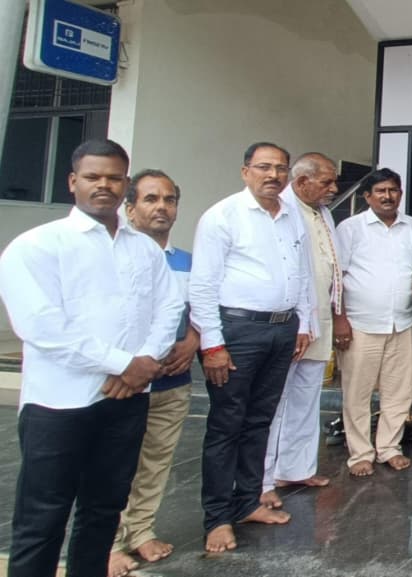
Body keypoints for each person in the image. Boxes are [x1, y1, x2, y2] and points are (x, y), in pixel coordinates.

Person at [0, 140, 182, 577]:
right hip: (59, 405)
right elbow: (42, 326)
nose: (104, 185)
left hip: (125, 402)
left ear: (125, 185)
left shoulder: (143, 249)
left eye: (114, 178)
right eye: (92, 177)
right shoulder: (37, 246)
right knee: (42, 519)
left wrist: (143, 363)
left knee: (103, 511)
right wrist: (125, 364)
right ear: (72, 181)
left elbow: (169, 307)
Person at [190, 142, 313, 552]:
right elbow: (202, 285)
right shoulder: (222, 216)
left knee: (260, 421)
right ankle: (217, 518)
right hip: (238, 332)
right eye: (264, 167)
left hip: (282, 329)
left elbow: (301, 274)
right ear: (246, 172)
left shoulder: (291, 215)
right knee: (227, 424)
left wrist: (303, 322)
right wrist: (212, 344)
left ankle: (247, 501)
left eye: (280, 168)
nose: (273, 175)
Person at [109, 169, 200, 577]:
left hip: (172, 382)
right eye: (150, 199)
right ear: (130, 208)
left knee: (156, 462)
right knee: (114, 464)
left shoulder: (186, 262)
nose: (161, 207)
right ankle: (109, 542)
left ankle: (142, 531)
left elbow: (200, 309)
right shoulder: (114, 257)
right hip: (123, 383)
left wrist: (193, 340)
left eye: (169, 199)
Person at [261, 152, 339, 509]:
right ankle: (263, 479)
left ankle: (296, 469)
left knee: (307, 397)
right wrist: (301, 323)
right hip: (291, 323)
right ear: (302, 181)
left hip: (319, 317)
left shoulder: (322, 211)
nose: (333, 188)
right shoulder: (282, 210)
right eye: (326, 182)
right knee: (275, 401)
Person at [333, 168, 412, 477]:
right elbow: (337, 278)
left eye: (393, 190)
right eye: (381, 191)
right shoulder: (350, 228)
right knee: (357, 393)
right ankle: (360, 453)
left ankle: (389, 448)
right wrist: (340, 319)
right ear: (367, 196)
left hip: (403, 322)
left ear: (401, 193)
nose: (388, 196)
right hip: (360, 324)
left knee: (399, 392)